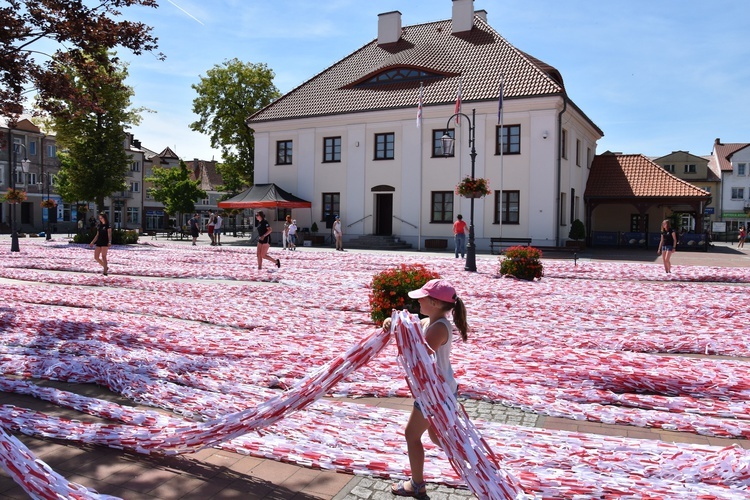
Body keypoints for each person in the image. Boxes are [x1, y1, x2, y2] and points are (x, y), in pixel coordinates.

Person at [385, 279, 468, 498]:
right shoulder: (429, 321)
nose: (418, 301)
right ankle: (469, 459)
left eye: (422, 297)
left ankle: (418, 484)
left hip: (435, 394)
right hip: (435, 391)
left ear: (434, 303)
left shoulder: (440, 328)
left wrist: (399, 333)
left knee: (412, 435)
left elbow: (419, 352)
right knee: (435, 435)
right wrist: (391, 322)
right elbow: (409, 326)